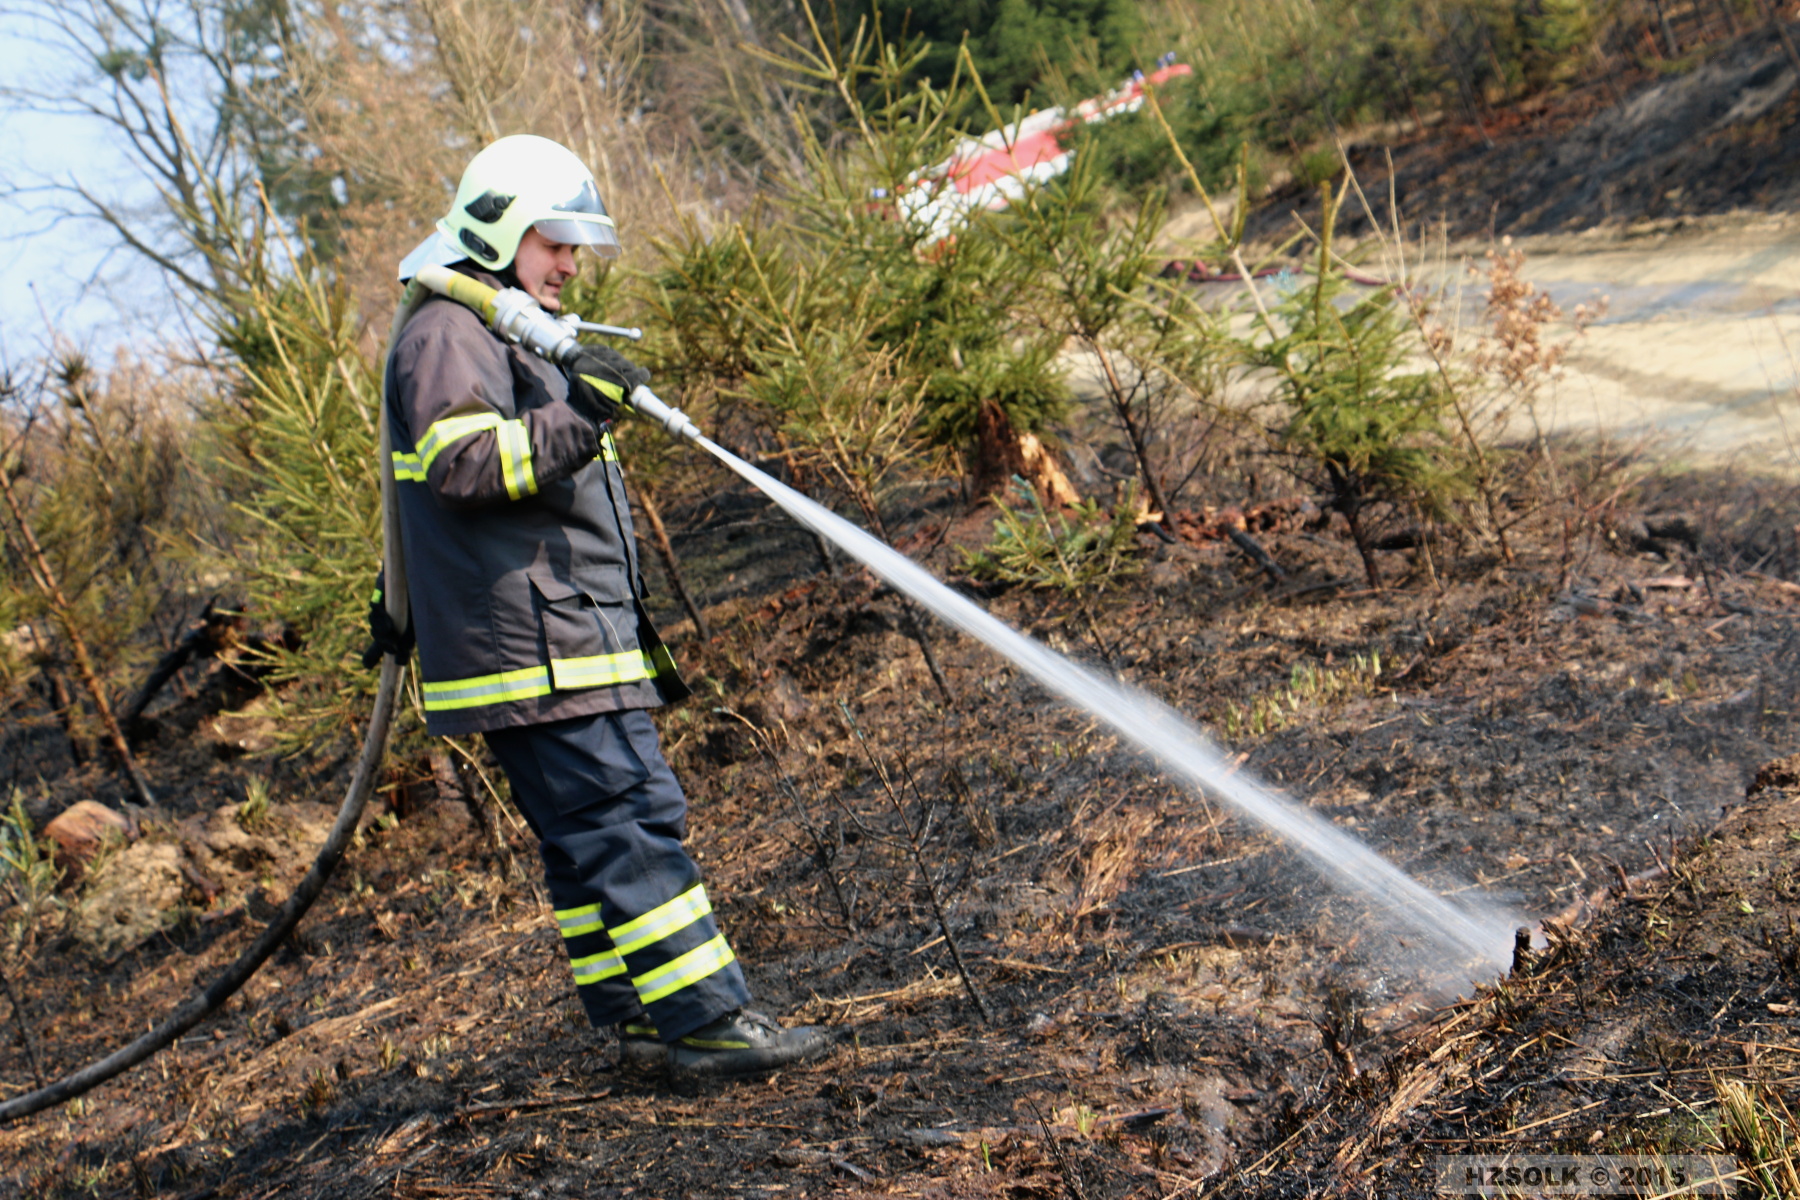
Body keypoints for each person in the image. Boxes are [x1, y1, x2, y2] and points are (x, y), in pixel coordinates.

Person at [374, 134, 827, 1083]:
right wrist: (581, 410)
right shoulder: (447, 332)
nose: (571, 265)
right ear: (498, 230)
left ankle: (633, 1017)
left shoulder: (486, 323)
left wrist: (577, 401)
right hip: (535, 649)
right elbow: (463, 467)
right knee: (627, 820)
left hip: (556, 640)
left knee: (589, 843)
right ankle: (707, 1021)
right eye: (554, 244)